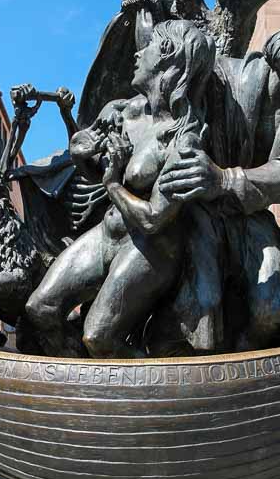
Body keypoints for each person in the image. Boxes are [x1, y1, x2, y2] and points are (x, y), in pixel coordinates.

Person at [152, 3, 280, 354]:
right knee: (200, 309)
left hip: (248, 215)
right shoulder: (223, 76)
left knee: (272, 310)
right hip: (193, 210)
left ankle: (245, 375)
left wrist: (224, 179)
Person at [25, 20, 216, 358]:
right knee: (40, 307)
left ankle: (158, 402)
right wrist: (84, 152)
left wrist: (111, 182)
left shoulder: (183, 139)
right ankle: (80, 391)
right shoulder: (122, 112)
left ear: (167, 58)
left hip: (152, 249)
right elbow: (87, 156)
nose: (138, 53)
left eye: (149, 46)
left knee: (98, 337)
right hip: (109, 233)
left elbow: (155, 219)